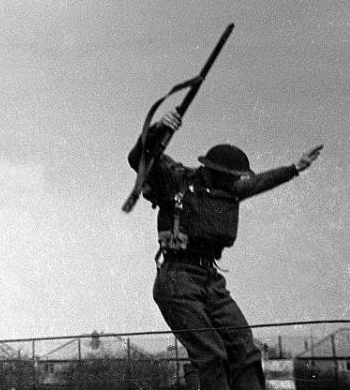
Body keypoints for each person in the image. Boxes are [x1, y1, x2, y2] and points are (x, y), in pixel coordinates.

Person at [128, 110, 322, 389]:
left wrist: (294, 168)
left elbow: (259, 182)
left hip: (211, 280)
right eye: (231, 178)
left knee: (244, 349)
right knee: (212, 356)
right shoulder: (177, 182)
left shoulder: (229, 190)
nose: (236, 183)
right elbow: (139, 159)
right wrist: (159, 129)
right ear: (213, 173)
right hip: (177, 280)